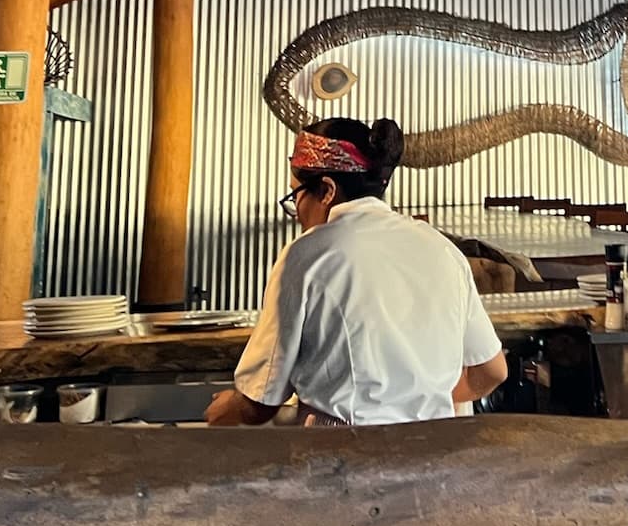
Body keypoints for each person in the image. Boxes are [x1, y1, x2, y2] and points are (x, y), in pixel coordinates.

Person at [204, 117, 508, 427]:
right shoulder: (440, 247)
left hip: (341, 459)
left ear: (326, 190)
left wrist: (227, 408)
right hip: (432, 456)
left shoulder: (308, 255)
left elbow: (261, 402)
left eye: (295, 196)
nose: (297, 214)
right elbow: (492, 371)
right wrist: (418, 399)